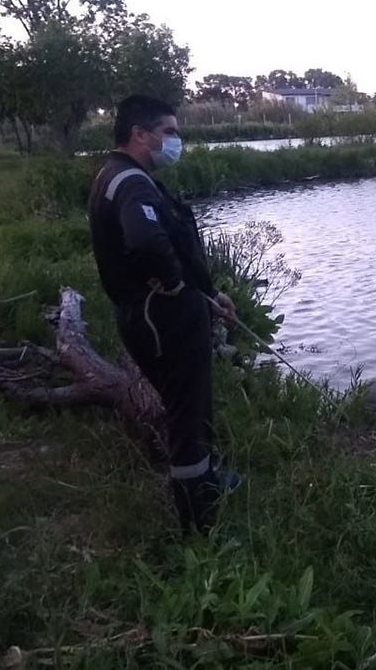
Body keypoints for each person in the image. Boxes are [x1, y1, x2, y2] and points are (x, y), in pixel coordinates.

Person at [87, 95, 238, 533]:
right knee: (186, 415)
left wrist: (209, 293)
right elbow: (148, 241)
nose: (176, 140)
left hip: (168, 311)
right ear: (139, 134)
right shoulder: (129, 183)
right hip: (161, 317)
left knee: (194, 404)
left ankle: (208, 481)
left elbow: (173, 242)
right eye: (169, 132)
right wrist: (175, 287)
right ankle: (200, 528)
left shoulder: (124, 176)